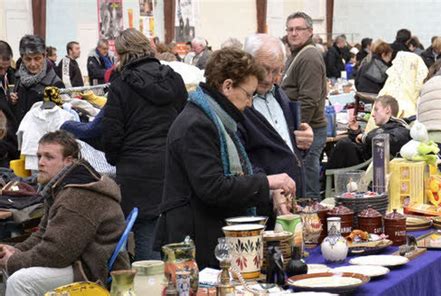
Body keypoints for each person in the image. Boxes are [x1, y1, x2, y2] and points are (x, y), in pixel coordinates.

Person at [155, 48, 296, 268]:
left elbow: (242, 168)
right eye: (248, 94)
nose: (250, 103)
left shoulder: (218, 118)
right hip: (194, 242)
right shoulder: (197, 124)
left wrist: (270, 190)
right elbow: (213, 186)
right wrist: (268, 182)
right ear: (227, 86)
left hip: (206, 234)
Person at [0, 131, 129, 295]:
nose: (41, 163)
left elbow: (57, 254)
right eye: (39, 156)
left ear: (68, 161)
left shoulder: (78, 194)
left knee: (20, 281)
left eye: (49, 157)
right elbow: (42, 234)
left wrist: (14, 260)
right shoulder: (62, 187)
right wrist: (16, 250)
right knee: (12, 269)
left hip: (92, 269)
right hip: (77, 260)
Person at [102, 28, 187, 261]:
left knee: (146, 238)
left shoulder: (120, 86)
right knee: (177, 239)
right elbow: (186, 122)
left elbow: (112, 133)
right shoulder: (174, 78)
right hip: (173, 167)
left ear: (121, 54)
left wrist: (115, 158)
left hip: (137, 170)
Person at [240, 33, 314, 227]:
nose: (269, 77)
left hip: (291, 200)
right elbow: (241, 157)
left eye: (277, 71)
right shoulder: (240, 103)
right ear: (248, 62)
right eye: (263, 69)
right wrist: (269, 186)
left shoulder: (280, 95)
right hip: (262, 206)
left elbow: (286, 144)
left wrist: (304, 142)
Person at [281, 11, 327, 200]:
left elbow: (309, 99)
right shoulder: (297, 54)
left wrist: (299, 128)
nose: (293, 33)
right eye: (290, 29)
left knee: (307, 181)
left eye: (299, 29)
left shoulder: (309, 56)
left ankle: (311, 220)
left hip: (309, 128)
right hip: (304, 127)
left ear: (310, 31)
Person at [327, 95, 410, 169]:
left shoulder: (400, 129)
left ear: (387, 110)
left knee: (344, 144)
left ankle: (324, 181)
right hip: (365, 165)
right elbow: (364, 145)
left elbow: (390, 139)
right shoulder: (383, 129)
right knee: (344, 145)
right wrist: (355, 132)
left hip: (370, 172)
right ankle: (324, 179)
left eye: (376, 109)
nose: (373, 114)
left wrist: (364, 137)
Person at [10, 35, 64, 124]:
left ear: (44, 56)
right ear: (22, 58)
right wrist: (12, 103)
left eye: (37, 58)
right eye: (28, 59)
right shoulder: (19, 78)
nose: (33, 64)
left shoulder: (54, 84)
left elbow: (55, 122)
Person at [0, 41, 19, 167]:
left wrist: (9, 101)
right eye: (0, 68)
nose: (2, 72)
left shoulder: (6, 78)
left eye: (6, 68)